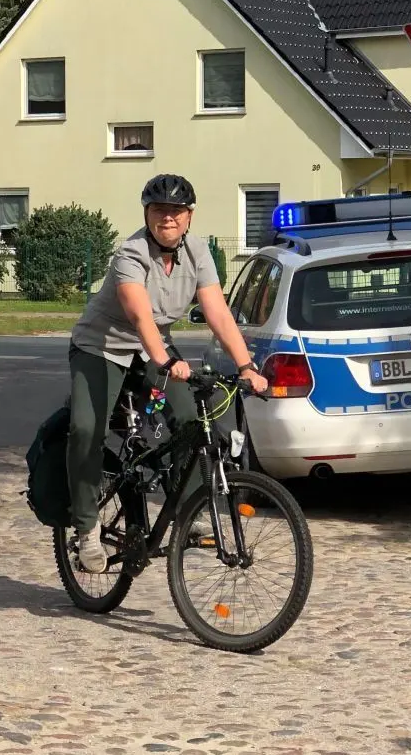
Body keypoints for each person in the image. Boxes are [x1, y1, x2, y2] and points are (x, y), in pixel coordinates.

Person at [65, 174, 269, 573]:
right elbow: (140, 316)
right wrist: (165, 361)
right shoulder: (131, 253)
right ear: (147, 213)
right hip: (101, 347)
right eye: (159, 210)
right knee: (87, 429)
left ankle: (187, 516)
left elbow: (218, 314)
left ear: (189, 216)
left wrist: (246, 365)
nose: (168, 218)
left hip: (153, 347)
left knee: (191, 420)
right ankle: (86, 526)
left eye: (176, 211)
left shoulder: (198, 254)